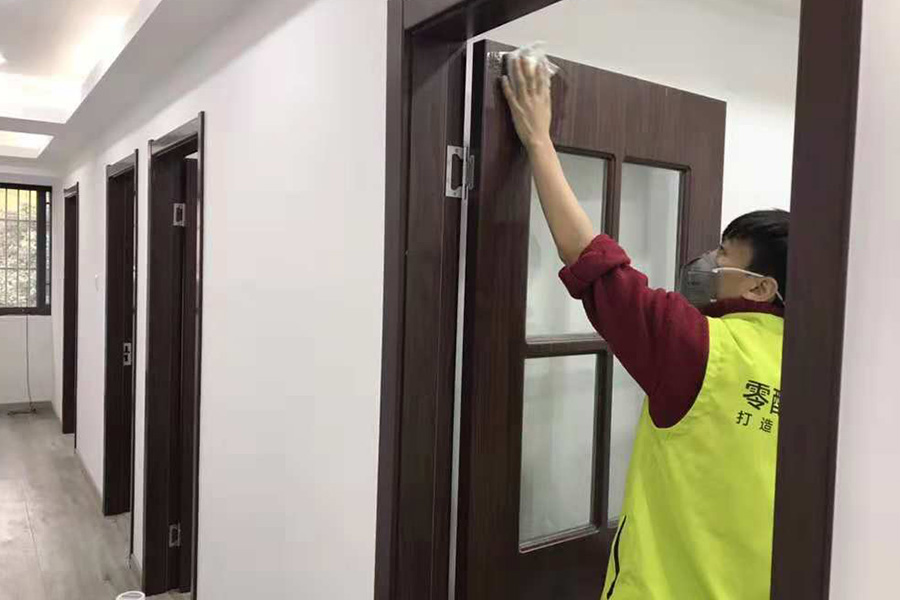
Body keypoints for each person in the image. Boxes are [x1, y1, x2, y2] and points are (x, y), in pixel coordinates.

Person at [502, 56, 788, 599]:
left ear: (759, 288)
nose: (707, 261)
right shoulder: (826, 376)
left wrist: (538, 140)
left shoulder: (699, 346)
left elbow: (591, 260)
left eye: (724, 255)